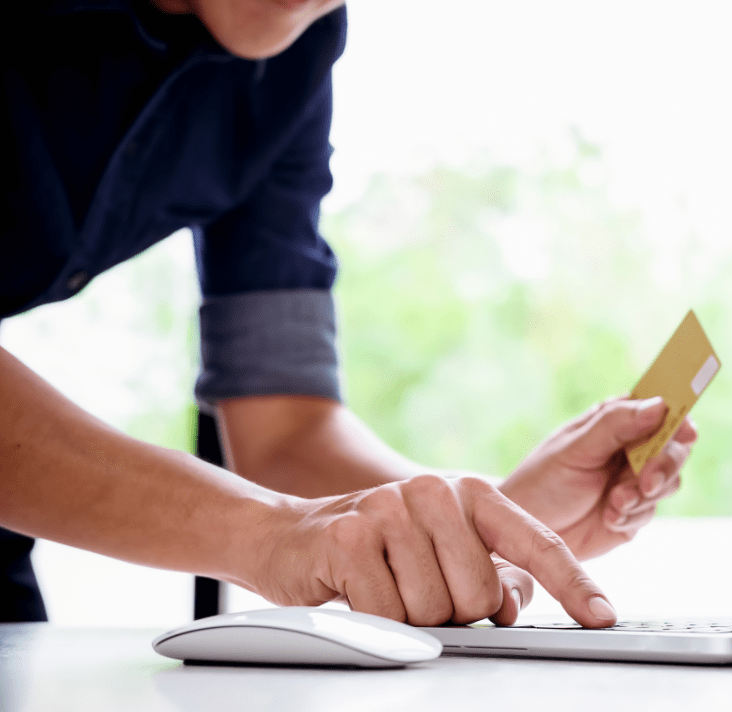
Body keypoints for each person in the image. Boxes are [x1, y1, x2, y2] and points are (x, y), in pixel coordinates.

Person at [0, 0, 696, 627]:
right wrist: (269, 536)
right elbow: (280, 515)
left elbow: (285, 428)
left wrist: (477, 520)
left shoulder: (294, 52)